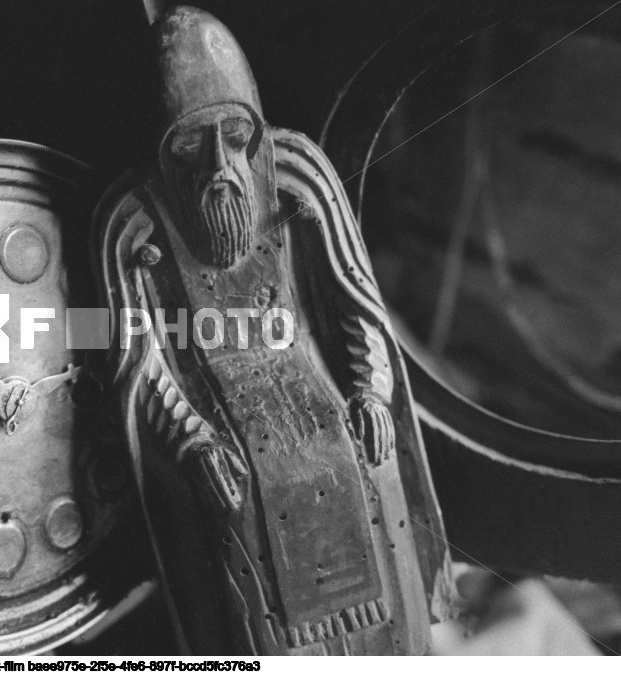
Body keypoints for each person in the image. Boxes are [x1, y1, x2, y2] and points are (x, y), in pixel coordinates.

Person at [93, 6, 453, 655]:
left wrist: (370, 392)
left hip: (319, 396)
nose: (220, 165)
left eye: (236, 134)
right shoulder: (133, 221)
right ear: (159, 146)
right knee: (234, 502)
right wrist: (192, 438)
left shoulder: (298, 177)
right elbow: (139, 362)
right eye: (190, 145)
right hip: (222, 423)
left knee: (371, 461)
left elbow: (358, 308)